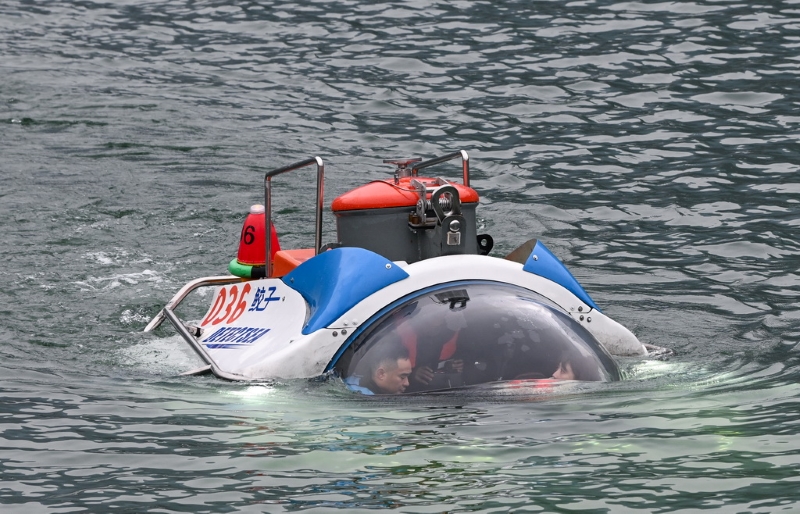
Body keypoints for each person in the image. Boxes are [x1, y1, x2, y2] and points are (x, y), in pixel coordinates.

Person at [344, 343, 413, 395]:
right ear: (381, 374)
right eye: (402, 377)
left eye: (408, 377)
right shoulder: (361, 398)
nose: (407, 383)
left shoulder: (357, 381)